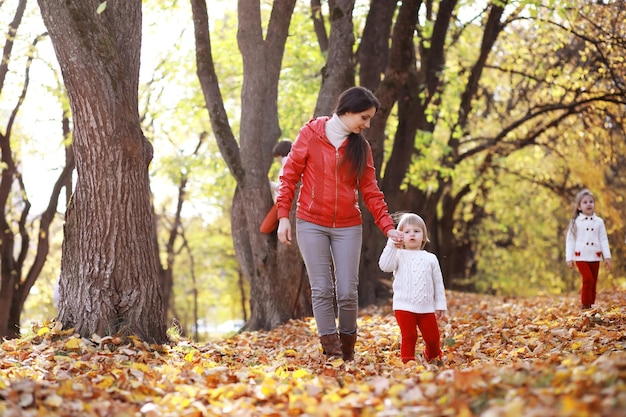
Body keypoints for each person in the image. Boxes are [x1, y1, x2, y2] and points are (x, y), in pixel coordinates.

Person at [276, 86, 403, 362]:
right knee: (321, 288)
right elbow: (289, 176)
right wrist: (283, 216)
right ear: (347, 111)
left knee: (347, 291)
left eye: (369, 119)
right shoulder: (310, 134)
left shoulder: (361, 148)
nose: (367, 124)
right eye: (364, 118)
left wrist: (388, 227)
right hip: (311, 222)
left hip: (347, 225)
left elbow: (371, 191)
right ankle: (332, 351)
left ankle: (347, 348)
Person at [378, 212, 447, 365]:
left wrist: (440, 304)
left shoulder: (430, 258)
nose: (412, 235)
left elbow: (438, 283)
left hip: (426, 308)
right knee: (409, 336)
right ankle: (408, 361)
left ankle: (433, 355)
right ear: (400, 236)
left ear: (423, 236)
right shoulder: (398, 255)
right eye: (407, 232)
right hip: (403, 306)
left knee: (433, 337)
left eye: (416, 231)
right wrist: (391, 244)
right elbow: (385, 266)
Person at [565, 188, 611, 310]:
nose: (589, 204)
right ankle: (585, 304)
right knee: (588, 279)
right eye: (585, 202)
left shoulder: (599, 222)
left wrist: (607, 256)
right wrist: (569, 258)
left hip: (595, 256)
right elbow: (570, 241)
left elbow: (603, 239)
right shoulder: (575, 222)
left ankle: (591, 304)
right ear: (579, 207)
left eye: (591, 201)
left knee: (594, 281)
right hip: (580, 256)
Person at [260, 140, 292, 234]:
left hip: (282, 202)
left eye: (277, 157)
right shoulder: (290, 162)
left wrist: (268, 184)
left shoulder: (286, 163)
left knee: (264, 228)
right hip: (284, 201)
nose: (277, 160)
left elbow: (282, 186)